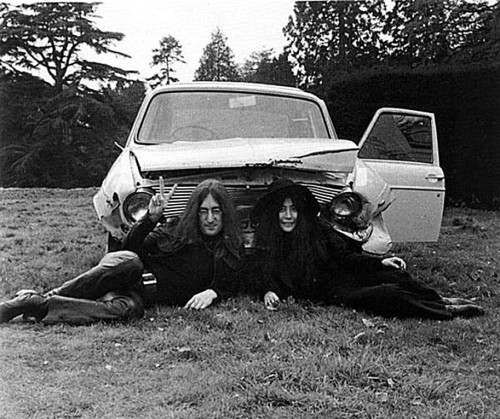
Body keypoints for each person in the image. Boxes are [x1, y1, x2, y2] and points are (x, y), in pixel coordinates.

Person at [0, 179, 243, 324]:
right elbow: (128, 248)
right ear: (195, 212)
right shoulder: (177, 230)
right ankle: (41, 297)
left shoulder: (229, 249)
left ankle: (37, 305)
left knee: (128, 310)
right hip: (125, 272)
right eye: (204, 211)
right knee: (130, 262)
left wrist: (213, 293)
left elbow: (236, 281)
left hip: (140, 296)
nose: (210, 218)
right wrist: (150, 219)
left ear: (225, 213)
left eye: (216, 211)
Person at [252, 178, 484, 320]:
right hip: (334, 292)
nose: (289, 216)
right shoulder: (270, 242)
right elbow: (262, 273)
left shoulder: (316, 229)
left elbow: (345, 256)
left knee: (393, 273)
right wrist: (268, 291)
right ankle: (445, 312)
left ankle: (442, 299)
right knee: (388, 294)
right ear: (275, 212)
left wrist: (379, 262)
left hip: (347, 274)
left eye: (293, 209)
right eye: (283, 210)